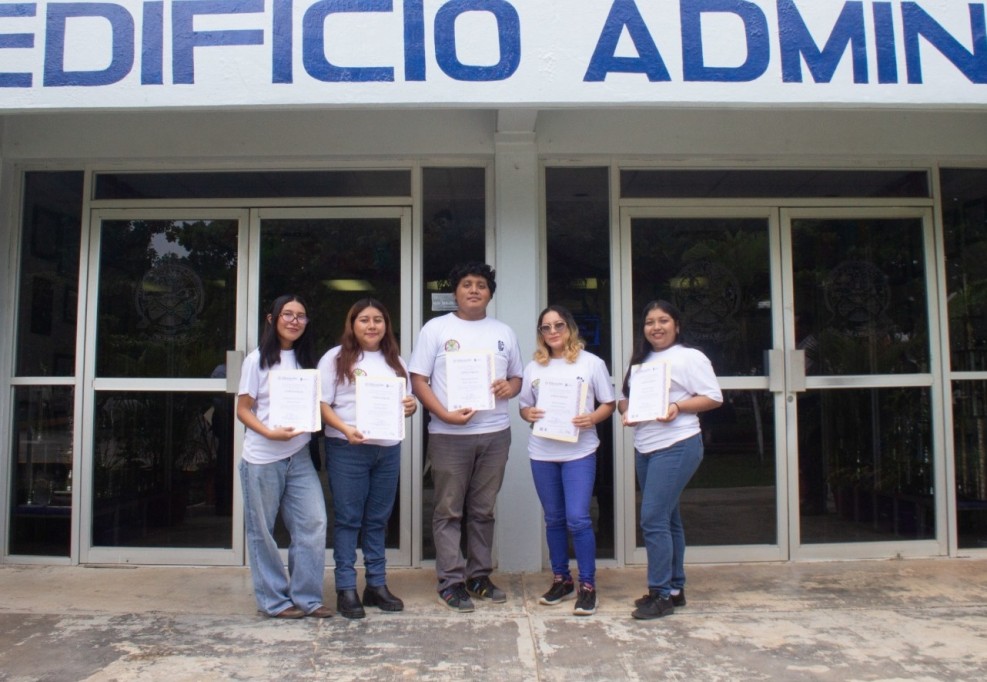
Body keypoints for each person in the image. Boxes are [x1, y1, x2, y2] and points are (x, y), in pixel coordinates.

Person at [409, 262, 523, 612]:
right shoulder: (436, 328)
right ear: (455, 292)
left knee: (483, 510)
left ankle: (478, 576)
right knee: (448, 510)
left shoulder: (503, 331)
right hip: (448, 434)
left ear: (490, 293)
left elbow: (517, 378)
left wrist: (509, 387)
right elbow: (418, 379)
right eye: (466, 284)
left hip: (494, 434)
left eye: (481, 285)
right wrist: (442, 414)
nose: (474, 290)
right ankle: (451, 581)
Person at [619, 300, 722, 620]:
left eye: (663, 320)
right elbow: (626, 400)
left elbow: (713, 397)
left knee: (652, 518)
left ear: (677, 325)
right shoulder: (643, 360)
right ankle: (675, 589)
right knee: (668, 518)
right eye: (650, 322)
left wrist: (678, 408)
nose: (656, 327)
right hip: (646, 446)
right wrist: (628, 413)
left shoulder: (689, 357)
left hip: (677, 444)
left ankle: (659, 594)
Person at [318, 298, 417, 619]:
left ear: (386, 325)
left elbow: (408, 401)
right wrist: (345, 429)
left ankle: (376, 585)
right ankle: (346, 588)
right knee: (348, 519)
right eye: (364, 319)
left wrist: (410, 407)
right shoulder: (335, 358)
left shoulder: (396, 361)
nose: (371, 326)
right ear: (352, 324)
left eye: (378, 319)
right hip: (348, 448)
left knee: (377, 520)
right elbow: (321, 404)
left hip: (387, 448)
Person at [236, 294, 331, 619]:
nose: (294, 320)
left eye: (300, 316)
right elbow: (243, 409)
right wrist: (268, 432)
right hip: (262, 459)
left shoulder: (307, 362)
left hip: (299, 457)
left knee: (313, 523)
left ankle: (307, 598)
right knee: (262, 531)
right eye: (287, 314)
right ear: (272, 319)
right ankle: (274, 602)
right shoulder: (256, 360)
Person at [518, 305, 615, 616]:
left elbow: (608, 403)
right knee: (554, 519)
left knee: (578, 518)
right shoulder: (534, 367)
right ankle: (561, 579)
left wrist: (592, 417)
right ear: (540, 334)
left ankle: (587, 585)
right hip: (542, 452)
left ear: (570, 327)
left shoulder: (591, 363)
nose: (552, 332)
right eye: (545, 328)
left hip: (579, 451)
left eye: (558, 325)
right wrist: (527, 414)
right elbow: (524, 407)